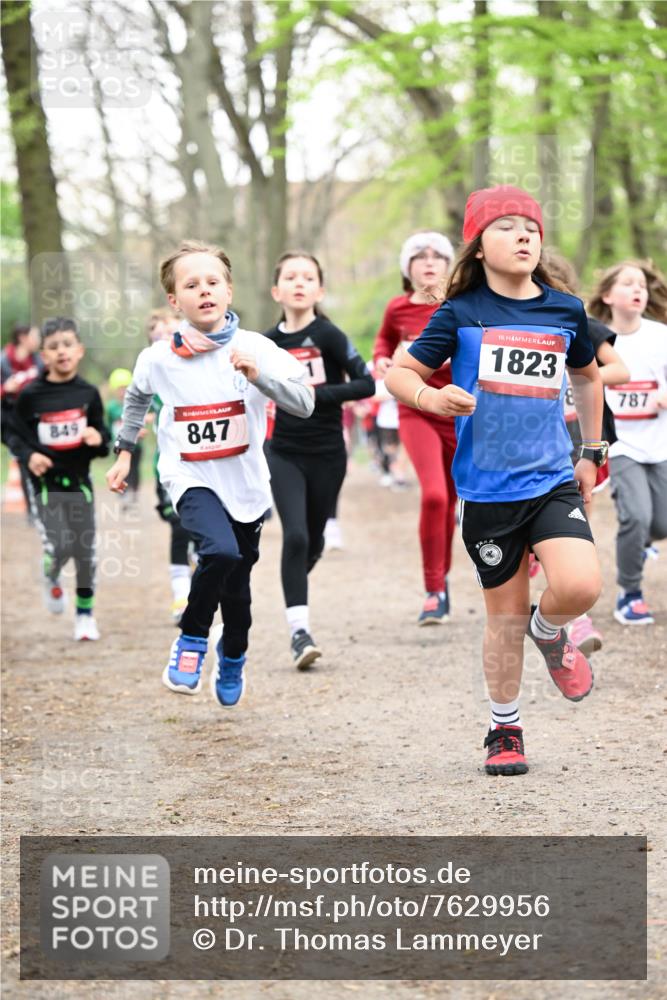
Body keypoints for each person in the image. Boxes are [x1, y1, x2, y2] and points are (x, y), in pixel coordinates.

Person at [386, 185, 604, 777]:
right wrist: (431, 395)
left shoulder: (563, 309)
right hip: (486, 491)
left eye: (530, 226)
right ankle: (503, 728)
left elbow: (587, 377)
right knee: (501, 620)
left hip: (552, 478)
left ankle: (550, 629)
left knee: (581, 585)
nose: (524, 235)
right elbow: (400, 373)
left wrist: (591, 448)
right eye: (506, 227)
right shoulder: (459, 313)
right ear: (479, 246)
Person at [106, 240, 314, 707]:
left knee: (238, 597)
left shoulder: (258, 348)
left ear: (229, 290)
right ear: (175, 301)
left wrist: (260, 376)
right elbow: (138, 396)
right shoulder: (158, 358)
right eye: (191, 284)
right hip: (188, 476)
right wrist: (124, 451)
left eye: (213, 282)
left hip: (245, 484)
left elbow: (305, 404)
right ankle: (192, 638)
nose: (204, 290)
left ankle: (233, 653)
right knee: (217, 552)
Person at [263, 251, 374, 669]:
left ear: (319, 290)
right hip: (284, 451)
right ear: (277, 290)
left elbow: (365, 383)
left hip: (328, 454)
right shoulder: (266, 343)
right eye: (290, 276)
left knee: (313, 541)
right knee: (294, 537)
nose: (299, 283)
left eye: (307, 277)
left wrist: (314, 397)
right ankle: (299, 632)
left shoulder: (329, 335)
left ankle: (296, 586)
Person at [540, 249, 629, 654]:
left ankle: (576, 619)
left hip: (581, 443)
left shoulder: (579, 324)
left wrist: (573, 377)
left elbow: (618, 370)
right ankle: (551, 607)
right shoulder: (513, 328)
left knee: (578, 528)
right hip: (534, 447)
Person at [7, 318, 110, 640]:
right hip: (46, 485)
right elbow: (11, 432)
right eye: (53, 347)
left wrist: (98, 438)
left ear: (79, 351)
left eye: (67, 344)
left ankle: (84, 615)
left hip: (80, 482)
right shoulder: (30, 395)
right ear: (43, 356)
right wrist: (28, 455)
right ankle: (51, 572)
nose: (61, 351)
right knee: (62, 543)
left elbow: (102, 437)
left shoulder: (88, 393)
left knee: (85, 550)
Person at [373, 231, 457, 625]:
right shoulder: (397, 308)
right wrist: (382, 362)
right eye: (419, 256)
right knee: (435, 497)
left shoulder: (459, 305)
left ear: (449, 264)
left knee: (455, 502)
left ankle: (443, 583)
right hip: (415, 409)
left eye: (437, 255)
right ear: (407, 268)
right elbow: (383, 343)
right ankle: (432, 588)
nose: (428, 262)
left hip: (457, 413)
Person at [588, 259, 667, 626]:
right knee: (636, 515)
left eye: (642, 285)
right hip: (620, 446)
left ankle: (642, 539)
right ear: (608, 295)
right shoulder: (598, 338)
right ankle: (630, 594)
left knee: (660, 523)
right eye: (628, 284)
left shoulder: (660, 336)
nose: (638, 290)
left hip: (660, 442)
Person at [145, 308, 198, 623]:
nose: (164, 334)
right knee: (180, 530)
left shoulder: (196, 366)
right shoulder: (149, 372)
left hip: (204, 464)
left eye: (170, 329)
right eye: (157, 331)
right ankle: (181, 596)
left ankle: (198, 580)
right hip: (168, 468)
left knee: (202, 532)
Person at [1, 323, 44, 509]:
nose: (38, 340)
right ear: (22, 338)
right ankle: (32, 508)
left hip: (35, 418)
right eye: (35, 336)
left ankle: (39, 505)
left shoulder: (39, 362)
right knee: (24, 459)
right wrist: (5, 389)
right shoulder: (3, 361)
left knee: (36, 459)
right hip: (10, 419)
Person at [106, 367, 144, 507]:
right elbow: (109, 425)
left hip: (136, 445)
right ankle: (124, 493)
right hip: (119, 445)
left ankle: (134, 491)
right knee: (121, 468)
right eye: (119, 389)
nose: (122, 392)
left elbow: (146, 418)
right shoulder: (112, 407)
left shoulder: (136, 405)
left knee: (134, 469)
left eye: (125, 388)